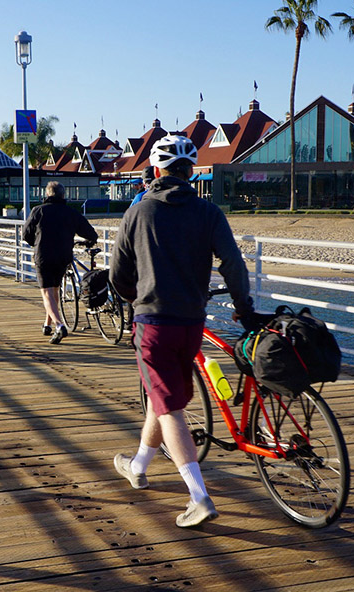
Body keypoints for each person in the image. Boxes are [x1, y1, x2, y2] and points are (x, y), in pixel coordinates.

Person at [110, 134, 253, 529]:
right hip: (192, 324)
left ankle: (199, 496)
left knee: (170, 407)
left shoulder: (137, 214)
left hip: (153, 324)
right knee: (164, 396)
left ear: (156, 170)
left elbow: (118, 276)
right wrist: (245, 309)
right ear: (191, 172)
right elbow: (233, 264)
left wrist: (136, 298)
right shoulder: (208, 213)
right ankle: (137, 465)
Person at [22, 181, 98, 344]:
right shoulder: (70, 212)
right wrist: (91, 240)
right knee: (55, 289)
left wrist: (35, 243)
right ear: (63, 195)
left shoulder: (39, 211)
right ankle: (47, 324)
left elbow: (26, 234)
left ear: (47, 195)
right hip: (63, 256)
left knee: (46, 293)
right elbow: (90, 232)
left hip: (44, 256)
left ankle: (59, 325)